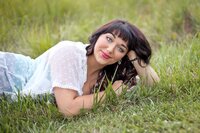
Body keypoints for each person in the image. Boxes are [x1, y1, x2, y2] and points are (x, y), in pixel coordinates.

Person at [0, 19, 160, 116]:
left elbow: (154, 86)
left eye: (120, 48)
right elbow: (68, 109)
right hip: (7, 73)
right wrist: (111, 94)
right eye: (109, 39)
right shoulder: (69, 52)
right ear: (98, 36)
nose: (110, 49)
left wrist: (134, 54)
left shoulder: (109, 73)